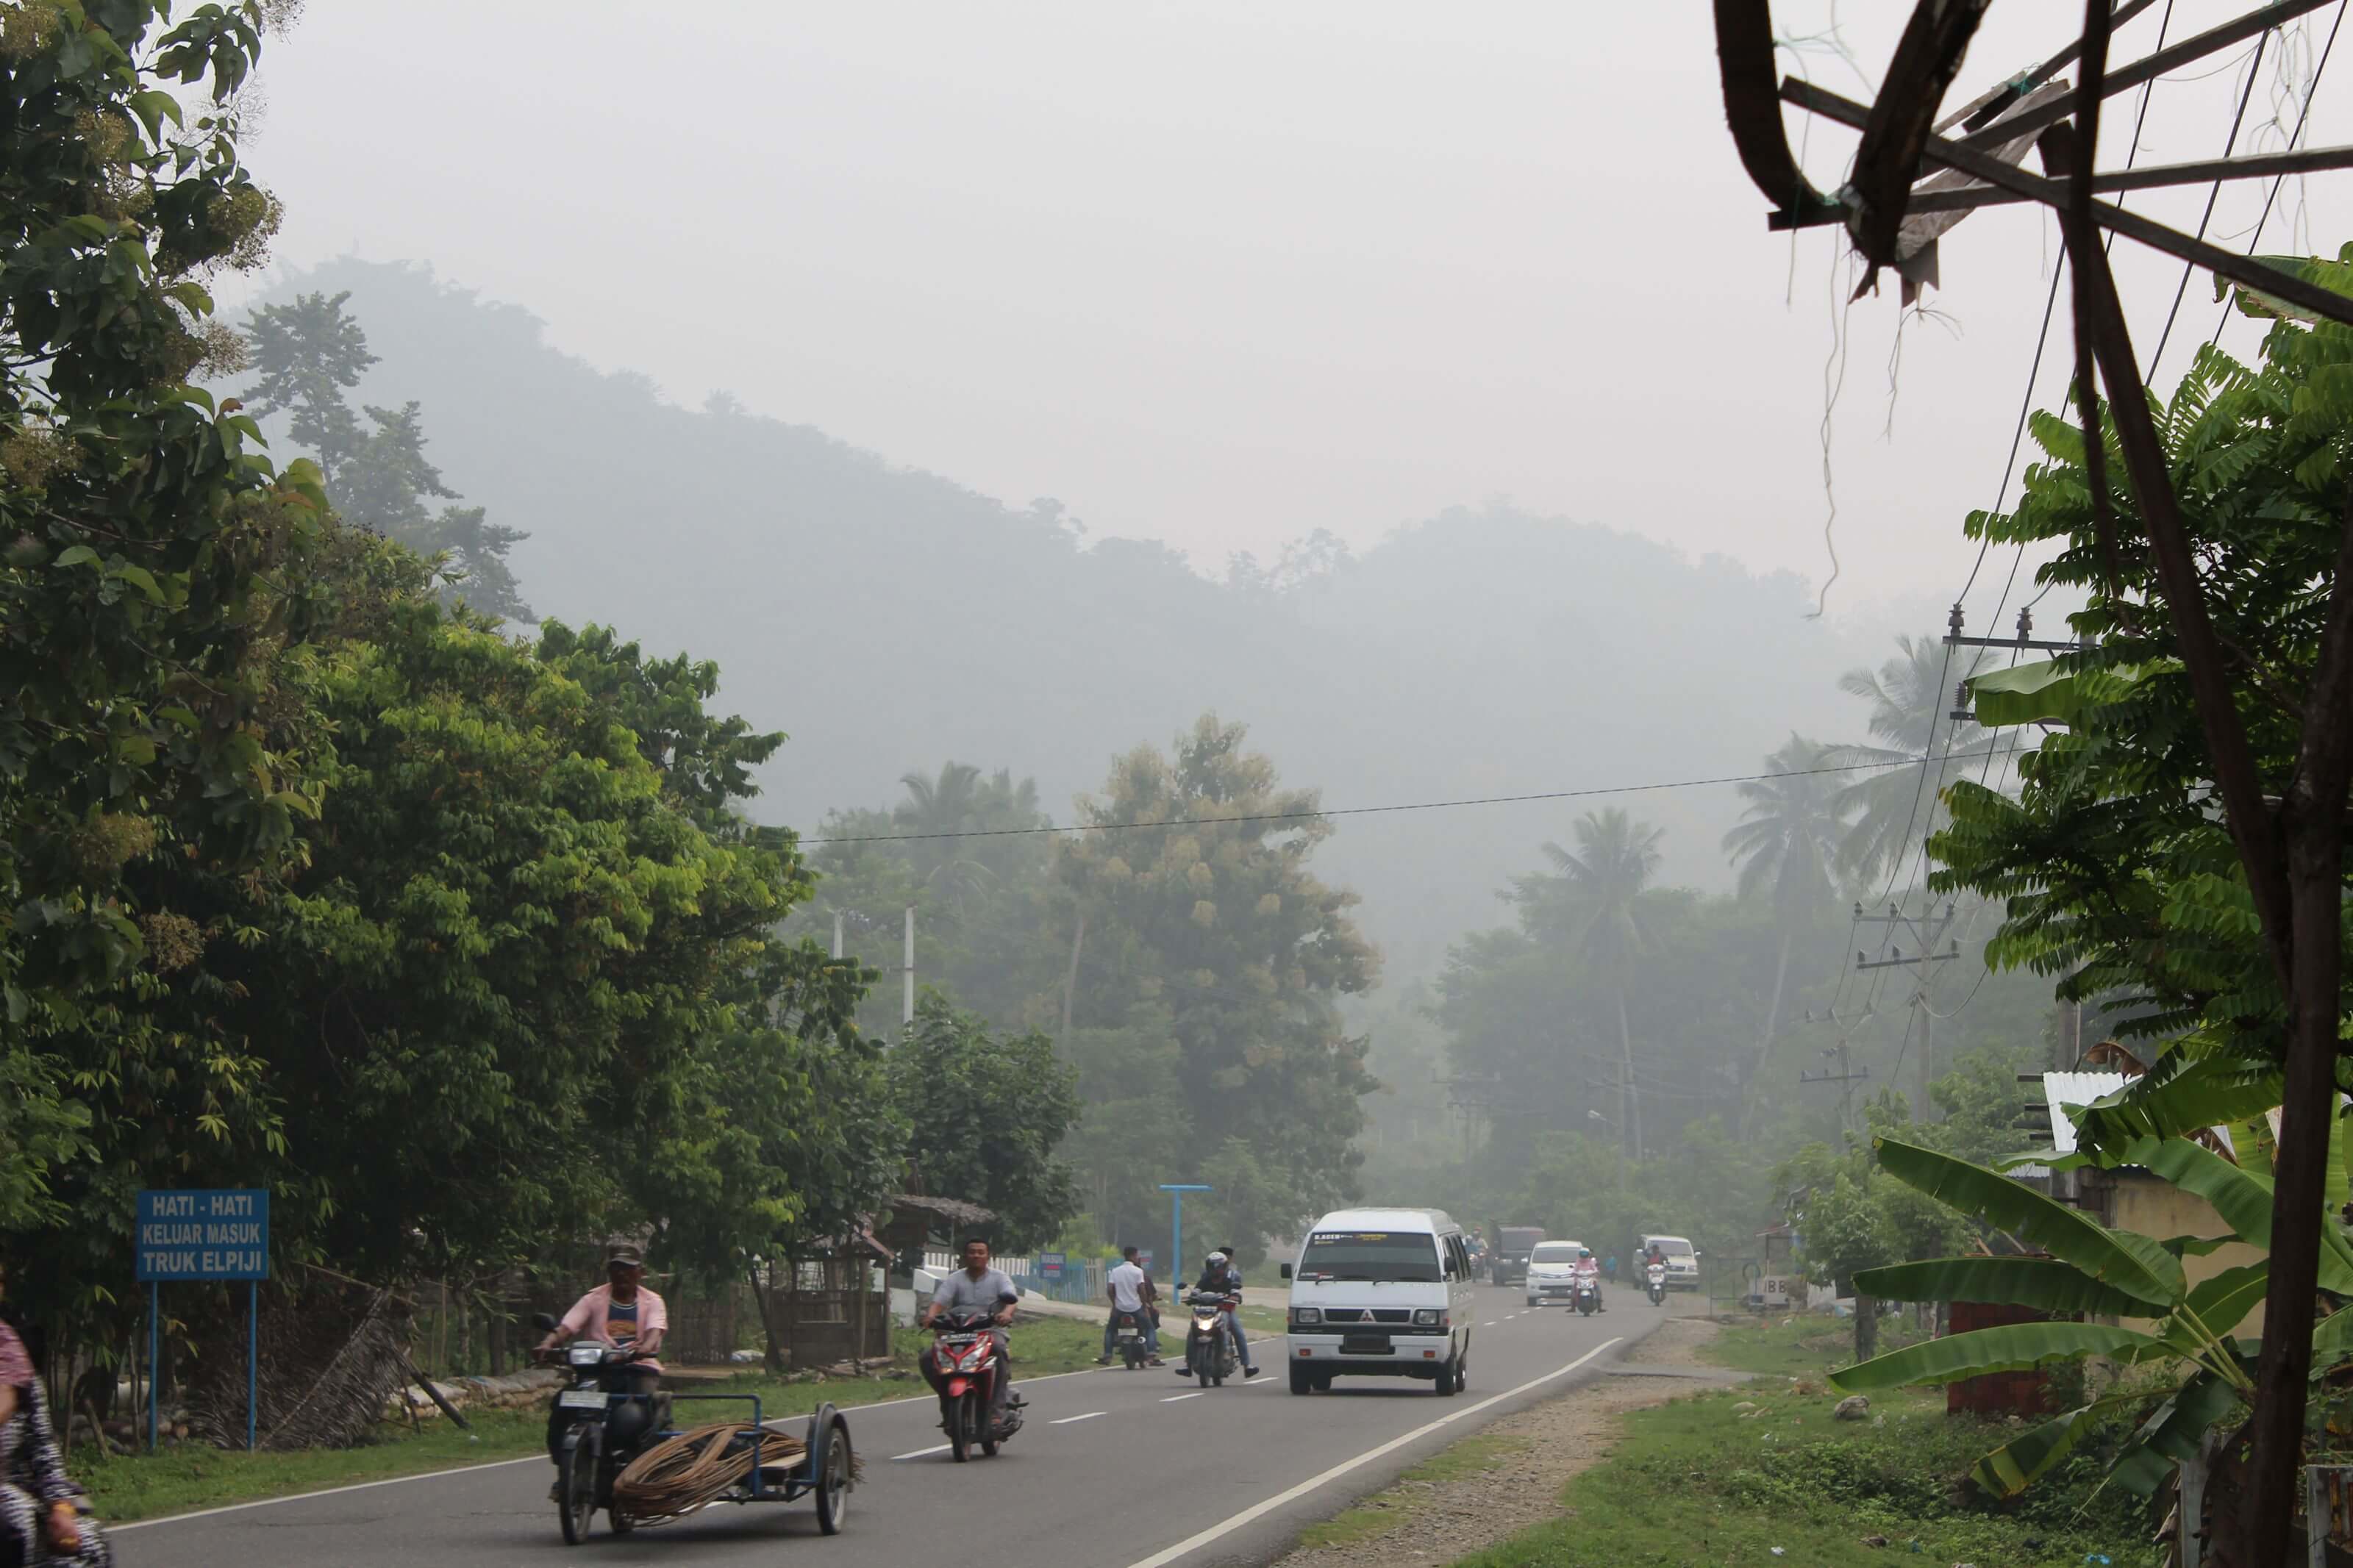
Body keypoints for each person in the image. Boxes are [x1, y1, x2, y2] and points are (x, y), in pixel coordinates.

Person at [0, 1262, 110, 1566]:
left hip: (18, 1499)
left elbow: (43, 1449)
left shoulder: (14, 1361)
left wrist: (60, 1508)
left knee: (88, 1545)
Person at [535, 1245, 668, 1497]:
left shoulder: (653, 1301)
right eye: (616, 1268)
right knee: (563, 1406)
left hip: (638, 1369)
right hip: (597, 1372)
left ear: (640, 1272)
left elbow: (653, 1332)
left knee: (645, 1407)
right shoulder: (593, 1298)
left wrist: (645, 1348)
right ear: (608, 1270)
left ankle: (643, 1468)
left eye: (628, 1268)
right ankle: (566, 1468)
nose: (621, 1274)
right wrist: (547, 1344)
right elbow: (567, 1327)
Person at [921, 1239, 1020, 1427]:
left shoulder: (999, 1277)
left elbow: (1011, 1299)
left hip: (989, 1331)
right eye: (972, 1252)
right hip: (957, 1332)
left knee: (998, 1351)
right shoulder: (955, 1278)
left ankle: (997, 1410)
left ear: (988, 1256)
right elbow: (940, 1301)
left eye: (981, 1252)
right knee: (928, 1357)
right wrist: (930, 1317)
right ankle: (947, 1399)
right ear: (965, 1256)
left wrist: (1006, 1313)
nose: (976, 1255)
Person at [1177, 1248, 1257, 1378]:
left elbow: (1235, 1292)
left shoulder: (1228, 1281)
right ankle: (1188, 1365)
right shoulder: (1205, 1280)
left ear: (1224, 1266)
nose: (1216, 1270)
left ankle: (1247, 1366)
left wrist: (1235, 1297)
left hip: (1225, 1311)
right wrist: (1191, 1297)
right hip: (1205, 1312)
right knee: (1192, 1333)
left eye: (1219, 1267)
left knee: (1238, 1332)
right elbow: (1196, 1291)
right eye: (1213, 1267)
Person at [1100, 1245, 1163, 1365]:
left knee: (1110, 1330)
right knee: (1150, 1328)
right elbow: (1142, 1290)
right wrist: (1144, 1306)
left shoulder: (1115, 1271)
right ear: (1133, 1256)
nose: (1138, 1258)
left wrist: (1115, 1303)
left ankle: (1107, 1355)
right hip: (1135, 1308)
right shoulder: (1138, 1271)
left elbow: (1109, 1289)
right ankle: (1151, 1354)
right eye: (1137, 1256)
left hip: (1119, 1308)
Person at [1575, 1247, 1607, 1312]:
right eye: (1582, 1254)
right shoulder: (1578, 1262)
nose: (1584, 1256)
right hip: (1580, 1279)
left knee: (1597, 1288)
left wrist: (1596, 1271)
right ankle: (1573, 1306)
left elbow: (1595, 1268)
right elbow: (1575, 1269)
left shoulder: (1591, 1261)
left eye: (1585, 1254)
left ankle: (1599, 1307)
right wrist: (1574, 1273)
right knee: (1574, 1287)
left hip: (1590, 1278)